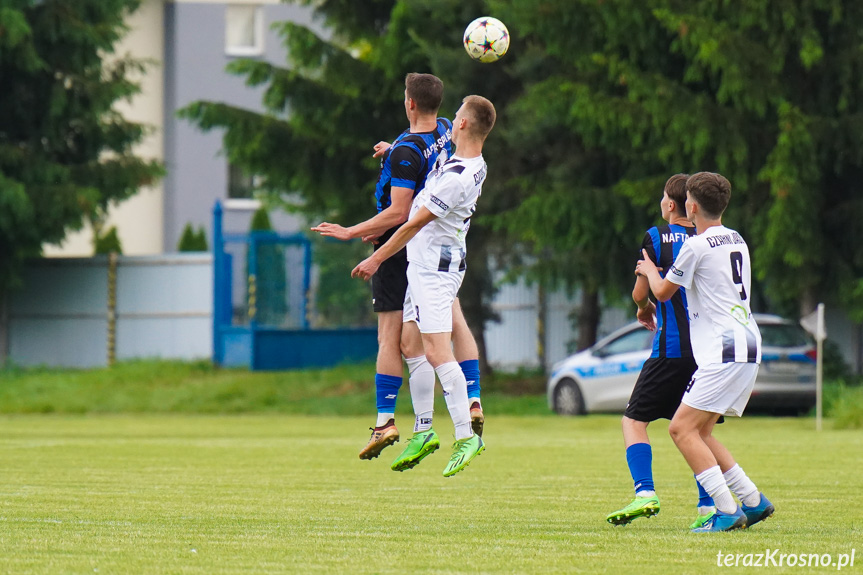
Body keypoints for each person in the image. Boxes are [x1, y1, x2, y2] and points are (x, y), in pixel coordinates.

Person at [311, 73, 484, 461]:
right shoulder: (441, 131)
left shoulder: (410, 151)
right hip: (440, 251)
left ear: (409, 103)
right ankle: (453, 410)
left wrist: (353, 234)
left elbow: (401, 212)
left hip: (408, 250)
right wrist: (395, 153)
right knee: (426, 337)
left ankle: (388, 420)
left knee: (396, 340)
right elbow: (430, 161)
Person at [352, 95, 496, 477]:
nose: (451, 120)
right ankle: (423, 430)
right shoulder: (461, 153)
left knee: (435, 350)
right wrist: (395, 148)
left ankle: (467, 435)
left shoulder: (456, 179)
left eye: (458, 115)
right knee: (409, 344)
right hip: (424, 265)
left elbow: (413, 222)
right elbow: (434, 143)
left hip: (434, 270)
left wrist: (376, 257)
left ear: (463, 125)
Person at [635, 172, 774, 532]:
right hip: (748, 344)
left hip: (722, 349)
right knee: (704, 432)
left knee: (681, 430)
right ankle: (754, 501)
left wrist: (650, 270)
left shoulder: (695, 246)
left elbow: (663, 292)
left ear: (691, 206)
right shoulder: (737, 238)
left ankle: (726, 510)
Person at [606, 174, 719, 529]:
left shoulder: (656, 237)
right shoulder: (709, 238)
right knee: (699, 432)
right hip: (706, 352)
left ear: (670, 205)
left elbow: (643, 294)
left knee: (634, 422)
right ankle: (708, 507)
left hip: (669, 350)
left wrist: (642, 308)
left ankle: (644, 492)